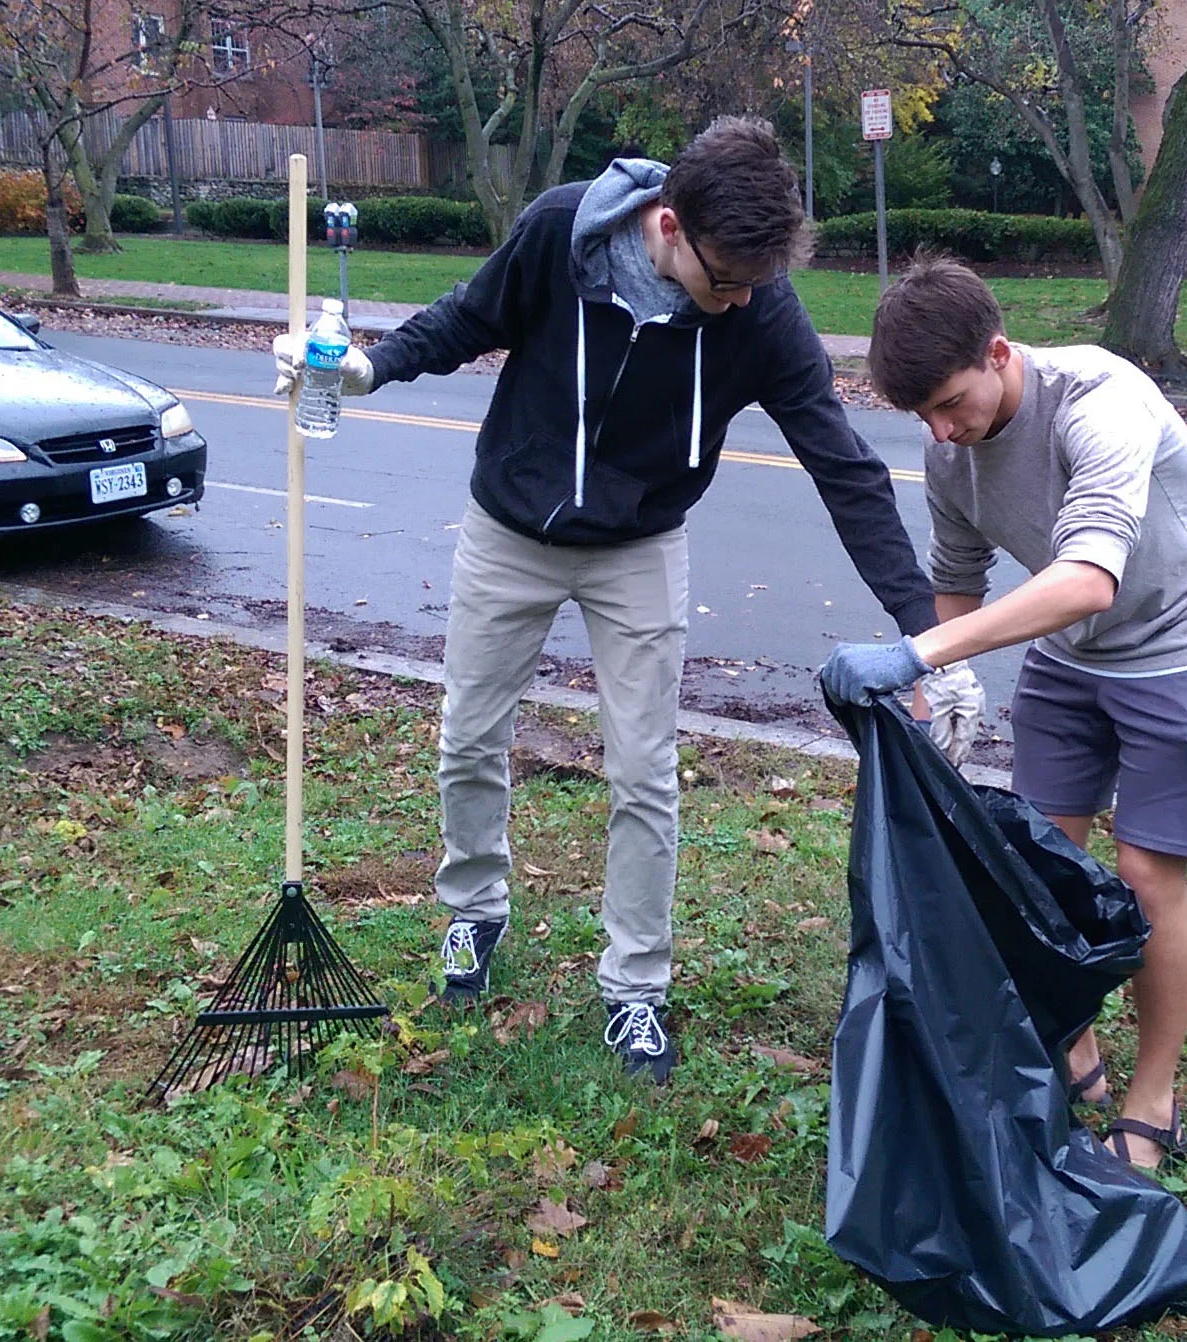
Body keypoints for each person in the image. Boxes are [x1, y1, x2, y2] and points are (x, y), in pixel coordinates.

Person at [273, 116, 966, 1084]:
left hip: (639, 545)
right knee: (469, 736)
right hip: (509, 531)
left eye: (755, 285)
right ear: (669, 225)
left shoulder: (761, 309)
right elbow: (471, 316)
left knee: (643, 772)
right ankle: (475, 911)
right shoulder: (562, 233)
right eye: (725, 280)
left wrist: (930, 635)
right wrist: (368, 367)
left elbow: (845, 470)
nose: (739, 303)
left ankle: (633, 986)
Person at [821, 257, 1187, 1174]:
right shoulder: (949, 450)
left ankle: (1154, 1094)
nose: (943, 431)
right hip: (1073, 649)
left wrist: (916, 655)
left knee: (1144, 872)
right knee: (1041, 863)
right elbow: (956, 579)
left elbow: (1089, 575)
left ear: (998, 351)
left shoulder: (1101, 402)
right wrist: (941, 682)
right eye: (923, 417)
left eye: (950, 402)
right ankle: (1073, 1046)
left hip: (1186, 639)